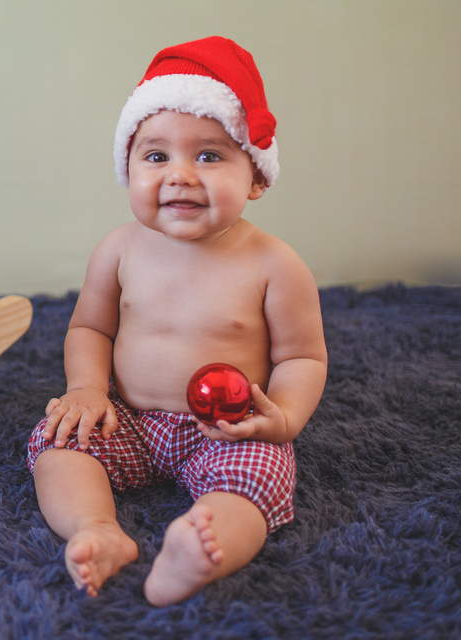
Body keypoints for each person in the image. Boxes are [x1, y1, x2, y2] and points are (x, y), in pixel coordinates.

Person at [28, 36, 328, 605]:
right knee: (57, 441)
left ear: (256, 178)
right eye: (156, 156)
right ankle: (96, 528)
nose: (180, 175)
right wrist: (86, 389)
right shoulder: (119, 249)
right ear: (128, 168)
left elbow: (302, 356)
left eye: (209, 156)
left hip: (228, 428)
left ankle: (201, 547)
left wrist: (282, 419)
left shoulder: (275, 265)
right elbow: (91, 328)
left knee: (259, 477)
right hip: (127, 417)